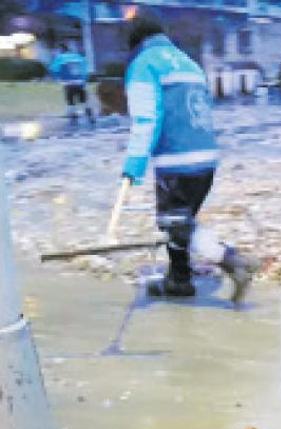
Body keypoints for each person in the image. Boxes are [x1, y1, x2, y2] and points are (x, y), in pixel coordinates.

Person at [121, 12, 255, 302]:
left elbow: (146, 119)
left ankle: (232, 260)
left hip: (176, 160)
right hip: (206, 157)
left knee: (175, 224)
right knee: (181, 221)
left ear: (135, 42)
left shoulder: (144, 64)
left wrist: (134, 164)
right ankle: (179, 281)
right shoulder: (189, 63)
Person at [48, 44, 95, 127]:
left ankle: (73, 118)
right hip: (80, 82)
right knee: (84, 100)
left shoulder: (60, 58)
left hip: (69, 83)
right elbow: (86, 69)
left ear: (61, 50)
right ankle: (90, 117)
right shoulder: (78, 57)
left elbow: (53, 69)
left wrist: (59, 79)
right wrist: (84, 79)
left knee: (70, 101)